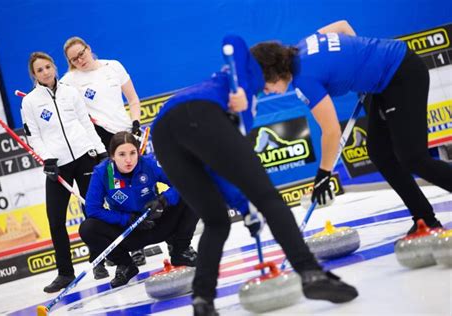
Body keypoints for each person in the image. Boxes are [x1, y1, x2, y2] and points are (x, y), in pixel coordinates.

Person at [151, 35, 358, 316]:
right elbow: (233, 42)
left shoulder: (236, 90)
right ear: (273, 71)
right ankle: (310, 273)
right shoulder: (244, 79)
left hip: (164, 133)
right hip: (198, 112)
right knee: (270, 199)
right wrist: (244, 95)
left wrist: (243, 207)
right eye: (283, 81)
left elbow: (217, 168)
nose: (276, 91)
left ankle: (202, 301)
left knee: (216, 221)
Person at [250, 20, 452, 235]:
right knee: (380, 153)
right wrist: (360, 64)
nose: (268, 92)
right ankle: (425, 219)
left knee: (414, 158)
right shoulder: (303, 46)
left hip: (402, 74)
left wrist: (323, 174)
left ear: (272, 72)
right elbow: (343, 26)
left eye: (265, 86)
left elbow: (331, 131)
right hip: (385, 80)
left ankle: (426, 218)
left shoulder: (305, 80)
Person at [20, 52, 108, 293]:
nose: (46, 72)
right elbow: (33, 136)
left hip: (84, 156)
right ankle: (65, 273)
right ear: (34, 75)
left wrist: (100, 151)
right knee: (56, 219)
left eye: (48, 67)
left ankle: (99, 260)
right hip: (57, 164)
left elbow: (85, 122)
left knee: (92, 210)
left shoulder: (70, 92)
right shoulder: (29, 102)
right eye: (40, 70)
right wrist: (47, 159)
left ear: (55, 67)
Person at [62, 36, 148, 267]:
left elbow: (132, 98)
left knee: (140, 189)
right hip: (102, 141)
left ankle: (158, 240)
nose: (80, 60)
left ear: (89, 49)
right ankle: (126, 249)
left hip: (127, 134)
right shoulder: (69, 81)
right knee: (115, 194)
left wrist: (136, 123)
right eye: (73, 59)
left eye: (81, 53)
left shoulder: (114, 66)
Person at [79, 131, 199, 288]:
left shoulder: (148, 163)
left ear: (138, 153)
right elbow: (92, 209)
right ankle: (125, 265)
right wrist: (125, 218)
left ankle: (180, 251)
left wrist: (163, 201)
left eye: (132, 153)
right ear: (112, 156)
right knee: (88, 228)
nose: (128, 160)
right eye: (121, 154)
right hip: (128, 231)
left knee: (195, 192)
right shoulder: (102, 172)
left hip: (157, 222)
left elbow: (183, 181)